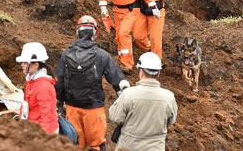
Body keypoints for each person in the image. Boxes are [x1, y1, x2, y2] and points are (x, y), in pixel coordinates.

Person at [55, 15, 130, 151]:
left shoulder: (66, 55)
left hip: (72, 109)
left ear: (78, 32)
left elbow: (59, 82)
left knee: (74, 145)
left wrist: (59, 103)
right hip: (94, 109)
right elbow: (118, 81)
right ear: (95, 33)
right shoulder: (101, 55)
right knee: (96, 145)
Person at [109, 52, 177, 151]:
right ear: (158, 73)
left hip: (128, 146)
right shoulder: (169, 97)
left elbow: (115, 116)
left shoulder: (128, 94)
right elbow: (171, 121)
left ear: (140, 72)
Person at [16, 42, 59, 134]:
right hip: (32, 128)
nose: (22, 65)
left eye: (24, 62)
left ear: (36, 65)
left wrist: (42, 137)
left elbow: (46, 115)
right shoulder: (31, 81)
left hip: (43, 132)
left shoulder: (43, 86)